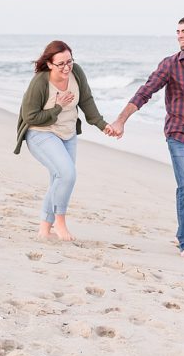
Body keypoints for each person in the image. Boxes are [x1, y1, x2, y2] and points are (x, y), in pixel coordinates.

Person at [106, 16, 184, 258]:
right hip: (177, 133)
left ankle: (183, 228)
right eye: (178, 32)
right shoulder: (170, 64)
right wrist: (121, 120)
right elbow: (145, 91)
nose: (180, 35)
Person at [15, 40, 117, 241]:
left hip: (68, 134)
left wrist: (102, 124)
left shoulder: (76, 72)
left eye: (69, 61)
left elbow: (87, 100)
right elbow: (30, 117)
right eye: (60, 63)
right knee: (67, 174)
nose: (66, 67)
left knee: (59, 178)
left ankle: (45, 228)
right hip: (40, 133)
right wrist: (57, 107)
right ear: (50, 64)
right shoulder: (40, 82)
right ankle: (60, 223)